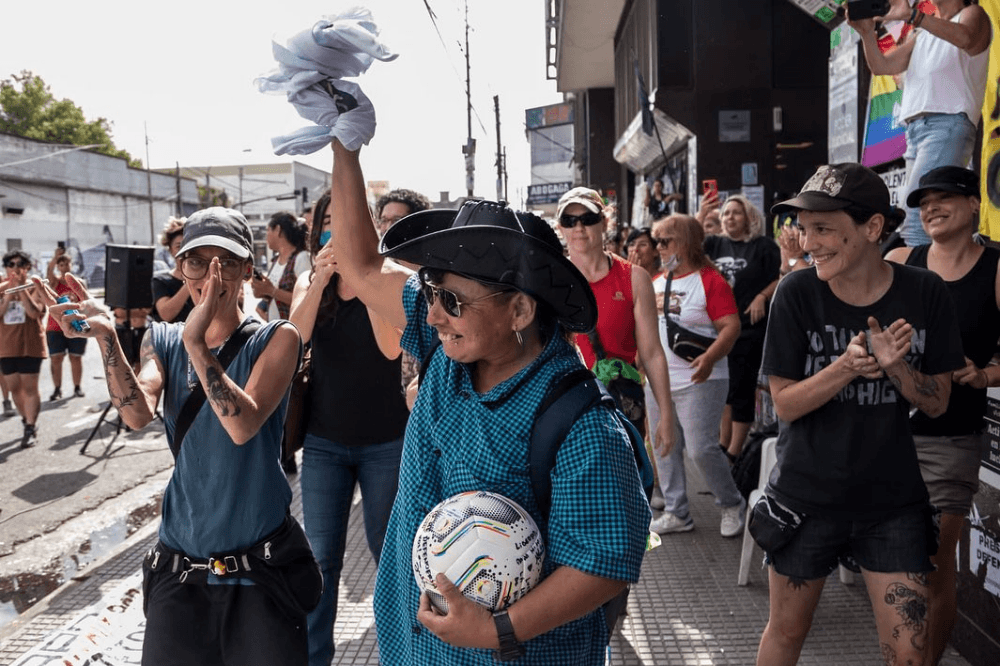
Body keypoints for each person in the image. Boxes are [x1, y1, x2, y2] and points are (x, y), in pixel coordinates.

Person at [328, 139, 650, 665]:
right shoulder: (447, 345)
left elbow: (603, 564)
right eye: (431, 292)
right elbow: (362, 266)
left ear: (520, 310)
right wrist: (345, 149)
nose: (431, 314)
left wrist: (497, 629)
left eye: (451, 301)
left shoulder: (582, 424)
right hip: (413, 650)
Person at [41, 207, 309, 665]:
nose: (211, 276)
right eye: (196, 262)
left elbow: (242, 425)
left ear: (247, 268)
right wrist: (106, 336)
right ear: (182, 270)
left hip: (259, 570)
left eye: (224, 261)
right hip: (181, 569)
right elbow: (137, 412)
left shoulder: (277, 338)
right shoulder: (161, 338)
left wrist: (198, 344)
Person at [755, 163, 963, 666]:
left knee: (909, 655)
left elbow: (938, 402)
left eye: (824, 228)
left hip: (893, 504)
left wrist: (897, 369)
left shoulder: (925, 291)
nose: (809, 243)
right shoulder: (796, 293)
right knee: (785, 634)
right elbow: (783, 402)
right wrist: (846, 367)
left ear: (873, 228)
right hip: (804, 500)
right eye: (804, 228)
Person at [884, 165, 1000, 665]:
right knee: (890, 569)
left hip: (950, 438)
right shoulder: (898, 259)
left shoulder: (996, 268)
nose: (930, 206)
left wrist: (989, 374)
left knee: (931, 563)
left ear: (975, 204)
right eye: (923, 200)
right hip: (883, 435)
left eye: (945, 196)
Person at [288, 189, 407, 666]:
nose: (338, 228)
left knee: (388, 556)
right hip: (323, 444)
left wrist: (363, 275)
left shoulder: (390, 279)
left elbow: (392, 350)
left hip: (387, 441)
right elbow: (293, 339)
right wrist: (320, 280)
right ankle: (316, 659)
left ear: (370, 225)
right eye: (328, 220)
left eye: (348, 219)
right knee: (320, 563)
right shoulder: (306, 279)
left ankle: (403, 652)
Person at [850, 0, 991, 247]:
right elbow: (883, 66)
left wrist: (914, 16)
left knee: (917, 220)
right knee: (920, 220)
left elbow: (966, 37)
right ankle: (937, 278)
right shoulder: (923, 33)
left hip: (947, 124)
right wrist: (865, 33)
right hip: (917, 132)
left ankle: (922, 284)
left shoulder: (973, 14)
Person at [556, 186, 675, 454]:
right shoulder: (552, 282)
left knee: (627, 486)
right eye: (569, 221)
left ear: (604, 222)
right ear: (560, 228)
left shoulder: (634, 278)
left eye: (587, 219)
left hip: (620, 403)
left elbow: (653, 353)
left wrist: (666, 416)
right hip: (567, 406)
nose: (578, 227)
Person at [649, 215, 744, 537]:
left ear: (687, 242)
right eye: (656, 241)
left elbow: (731, 326)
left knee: (702, 448)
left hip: (701, 380)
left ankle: (731, 503)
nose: (658, 248)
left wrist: (709, 358)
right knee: (664, 446)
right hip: (658, 383)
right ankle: (677, 512)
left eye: (666, 241)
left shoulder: (711, 281)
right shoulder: (656, 282)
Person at [705, 194, 780, 458]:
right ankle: (723, 447)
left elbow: (781, 275)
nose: (729, 218)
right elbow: (687, 243)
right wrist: (702, 215)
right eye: (725, 213)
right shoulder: (715, 244)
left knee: (741, 388)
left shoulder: (763, 247)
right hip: (718, 328)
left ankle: (735, 452)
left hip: (749, 328)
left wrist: (762, 296)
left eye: (736, 213)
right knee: (725, 388)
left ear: (749, 217)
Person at [0, 250, 47, 448]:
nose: (15, 268)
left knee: (29, 388)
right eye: (11, 264)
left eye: (20, 264)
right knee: (14, 388)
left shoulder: (37, 286)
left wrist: (21, 288)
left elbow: (34, 312)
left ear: (27, 267)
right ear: (6, 268)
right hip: (6, 346)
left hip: (30, 345)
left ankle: (30, 426)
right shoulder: (1, 288)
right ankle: (25, 418)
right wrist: (9, 294)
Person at [252, 211, 311, 321]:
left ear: (278, 230)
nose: (266, 236)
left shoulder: (301, 258)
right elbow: (271, 294)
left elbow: (307, 298)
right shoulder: (275, 260)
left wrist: (271, 291)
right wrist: (261, 289)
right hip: (278, 330)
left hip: (296, 331)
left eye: (268, 230)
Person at [45, 247, 87, 400]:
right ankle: (57, 389)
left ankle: (77, 387)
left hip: (76, 324)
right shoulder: (55, 282)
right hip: (56, 326)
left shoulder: (79, 282)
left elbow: (86, 302)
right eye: (60, 265)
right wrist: (54, 258)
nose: (63, 267)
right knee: (56, 358)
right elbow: (49, 274)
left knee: (76, 357)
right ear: (58, 266)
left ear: (70, 265)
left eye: (66, 264)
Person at [151, 217, 194, 323]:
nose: (185, 251)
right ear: (171, 250)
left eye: (189, 245)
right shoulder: (160, 280)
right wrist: (191, 280)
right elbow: (166, 314)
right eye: (179, 247)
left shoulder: (206, 278)